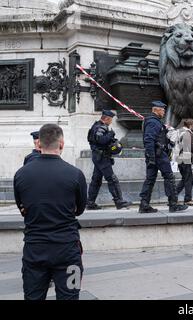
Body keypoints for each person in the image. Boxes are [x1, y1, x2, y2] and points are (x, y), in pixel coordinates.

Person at [13, 124, 87, 300]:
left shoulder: (21, 174)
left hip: (34, 250)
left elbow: (22, 208)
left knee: (33, 297)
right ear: (61, 144)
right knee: (71, 295)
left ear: (39, 144)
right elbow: (80, 209)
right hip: (69, 251)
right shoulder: (75, 174)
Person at [139, 101, 188, 213]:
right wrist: (151, 156)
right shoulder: (153, 122)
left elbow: (158, 138)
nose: (164, 112)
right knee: (169, 177)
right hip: (158, 155)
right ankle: (173, 204)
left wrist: (168, 143)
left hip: (155, 154)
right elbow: (149, 140)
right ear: (156, 110)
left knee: (150, 179)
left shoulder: (155, 122)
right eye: (162, 110)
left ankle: (144, 204)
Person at [86, 110, 131, 210]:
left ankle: (90, 202)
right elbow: (101, 140)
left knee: (96, 180)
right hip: (102, 157)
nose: (111, 122)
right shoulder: (100, 127)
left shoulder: (96, 126)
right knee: (112, 179)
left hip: (98, 157)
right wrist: (111, 134)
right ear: (106, 119)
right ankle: (119, 201)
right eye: (110, 120)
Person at [174, 119, 193, 206]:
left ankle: (173, 197)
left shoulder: (180, 131)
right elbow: (190, 146)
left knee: (185, 179)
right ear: (190, 125)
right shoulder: (188, 133)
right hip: (186, 158)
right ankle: (187, 199)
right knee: (189, 179)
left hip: (179, 158)